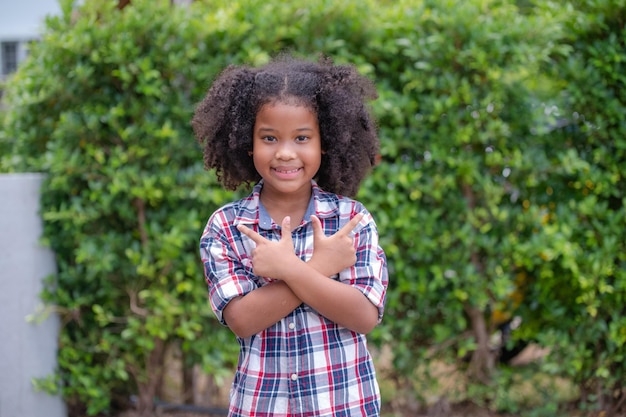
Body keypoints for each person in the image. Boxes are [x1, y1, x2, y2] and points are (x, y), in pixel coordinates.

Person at [192, 54, 389, 417]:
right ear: (247, 143)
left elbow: (364, 316)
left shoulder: (351, 220)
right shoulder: (228, 227)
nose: (285, 153)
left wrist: (291, 269)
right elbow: (242, 320)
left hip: (343, 406)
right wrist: (318, 266)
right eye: (269, 137)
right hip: (263, 407)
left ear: (324, 142)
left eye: (302, 137)